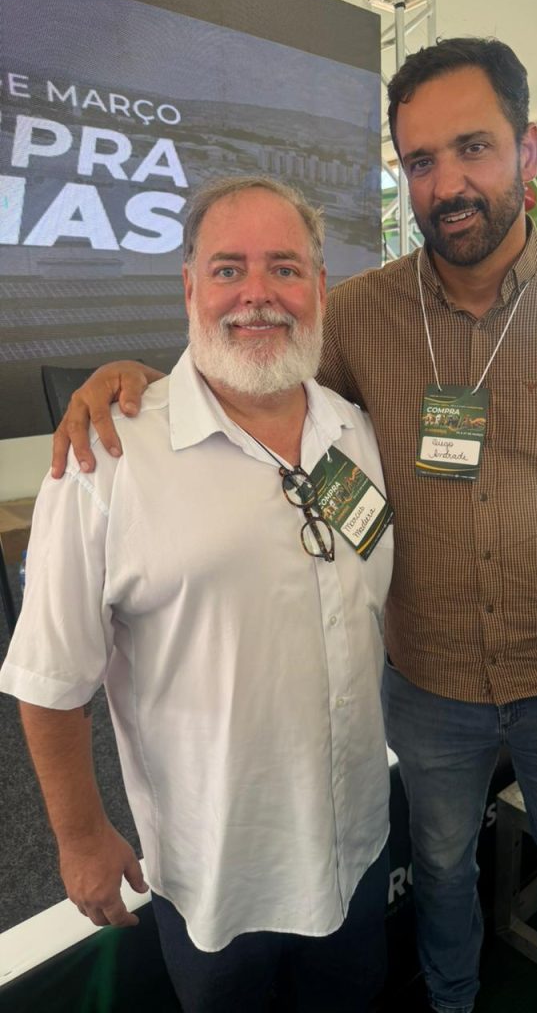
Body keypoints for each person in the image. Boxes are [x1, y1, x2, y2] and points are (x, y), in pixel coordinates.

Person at [50, 39, 537, 1013]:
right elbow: (247, 370)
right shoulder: (357, 315)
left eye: (473, 148)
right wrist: (136, 381)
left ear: (526, 151)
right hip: (427, 682)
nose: (448, 183)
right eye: (421, 161)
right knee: (439, 872)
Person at [2, 176, 395, 1013]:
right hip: (220, 874)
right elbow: (48, 676)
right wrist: (79, 837)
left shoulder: (354, 430)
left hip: (356, 841)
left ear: (320, 287)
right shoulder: (108, 457)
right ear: (189, 288)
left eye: (284, 268)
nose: (258, 293)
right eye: (227, 270)